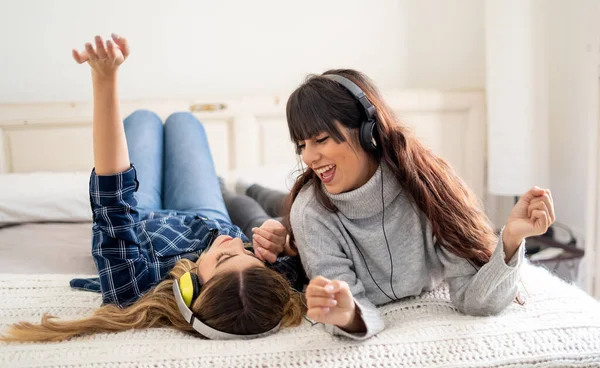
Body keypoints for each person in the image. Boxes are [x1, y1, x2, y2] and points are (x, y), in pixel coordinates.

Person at [0, 34, 304, 343]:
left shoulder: (134, 287)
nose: (235, 244)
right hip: (207, 215)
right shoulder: (262, 284)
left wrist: (105, 77)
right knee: (184, 121)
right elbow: (309, 246)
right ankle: (223, 186)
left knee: (143, 120)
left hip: (140, 217)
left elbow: (113, 197)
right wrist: (288, 243)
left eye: (225, 258)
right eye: (249, 255)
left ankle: (215, 182)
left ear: (191, 288)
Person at [285, 69, 556, 340]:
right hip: (290, 214)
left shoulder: (427, 184)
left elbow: (474, 300)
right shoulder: (310, 213)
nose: (309, 157)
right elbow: (350, 304)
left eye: (320, 140)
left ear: (367, 130)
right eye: (301, 146)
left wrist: (510, 239)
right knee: (261, 215)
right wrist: (348, 315)